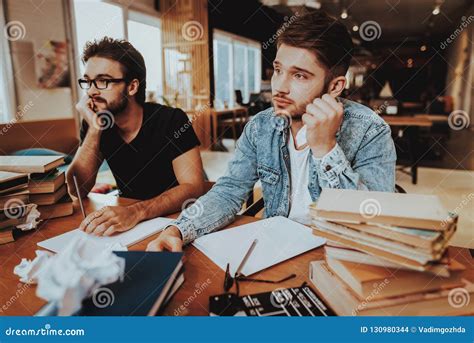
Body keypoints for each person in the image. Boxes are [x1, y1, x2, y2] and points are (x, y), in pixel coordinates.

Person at [147, 11, 396, 252]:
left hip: (335, 255)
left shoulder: (370, 131)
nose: (279, 87)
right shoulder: (261, 126)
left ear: (334, 86)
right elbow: (228, 191)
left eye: (299, 75)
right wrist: (178, 230)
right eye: (278, 70)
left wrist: (325, 148)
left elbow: (370, 223)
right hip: (275, 251)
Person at [66, 37, 205, 236]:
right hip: (129, 226)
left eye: (103, 81)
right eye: (87, 82)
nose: (92, 91)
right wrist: (94, 129)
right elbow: (76, 189)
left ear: (132, 87)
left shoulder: (171, 120)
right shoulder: (96, 122)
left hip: (176, 222)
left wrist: (136, 212)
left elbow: (193, 187)